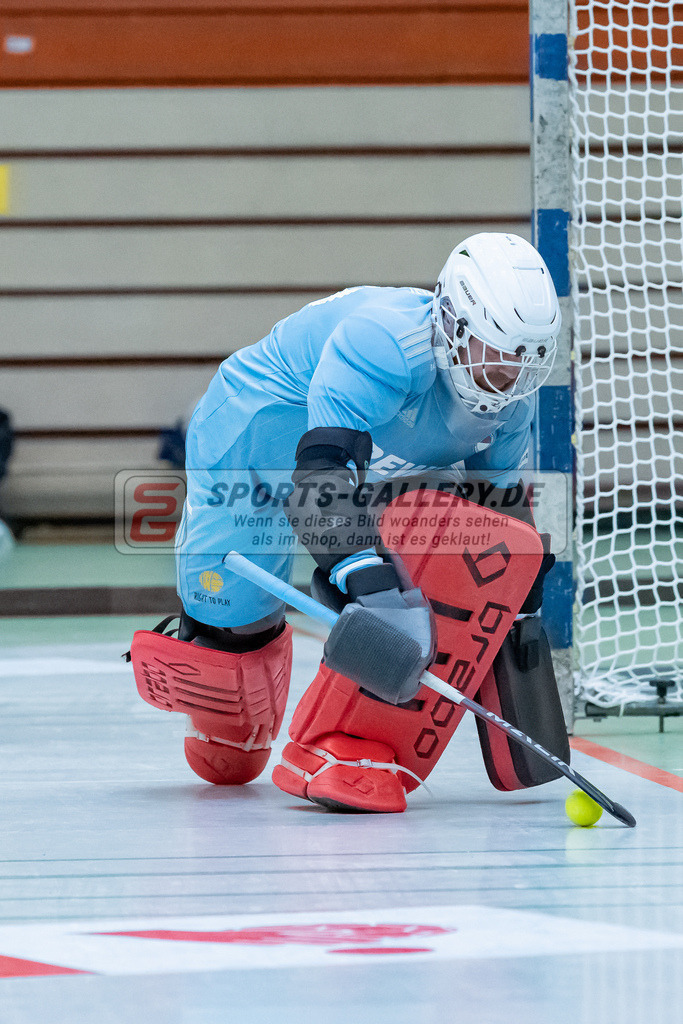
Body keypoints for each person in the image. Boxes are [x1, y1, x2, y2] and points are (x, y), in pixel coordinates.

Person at [130, 232, 565, 813]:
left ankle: (349, 744)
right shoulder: (384, 344)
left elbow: (500, 506)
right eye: (496, 354)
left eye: (527, 361)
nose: (509, 377)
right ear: (453, 327)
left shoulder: (514, 400)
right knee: (230, 679)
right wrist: (367, 581)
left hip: (378, 460)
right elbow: (321, 484)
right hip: (256, 445)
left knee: (453, 564)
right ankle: (218, 658)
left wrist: (521, 598)